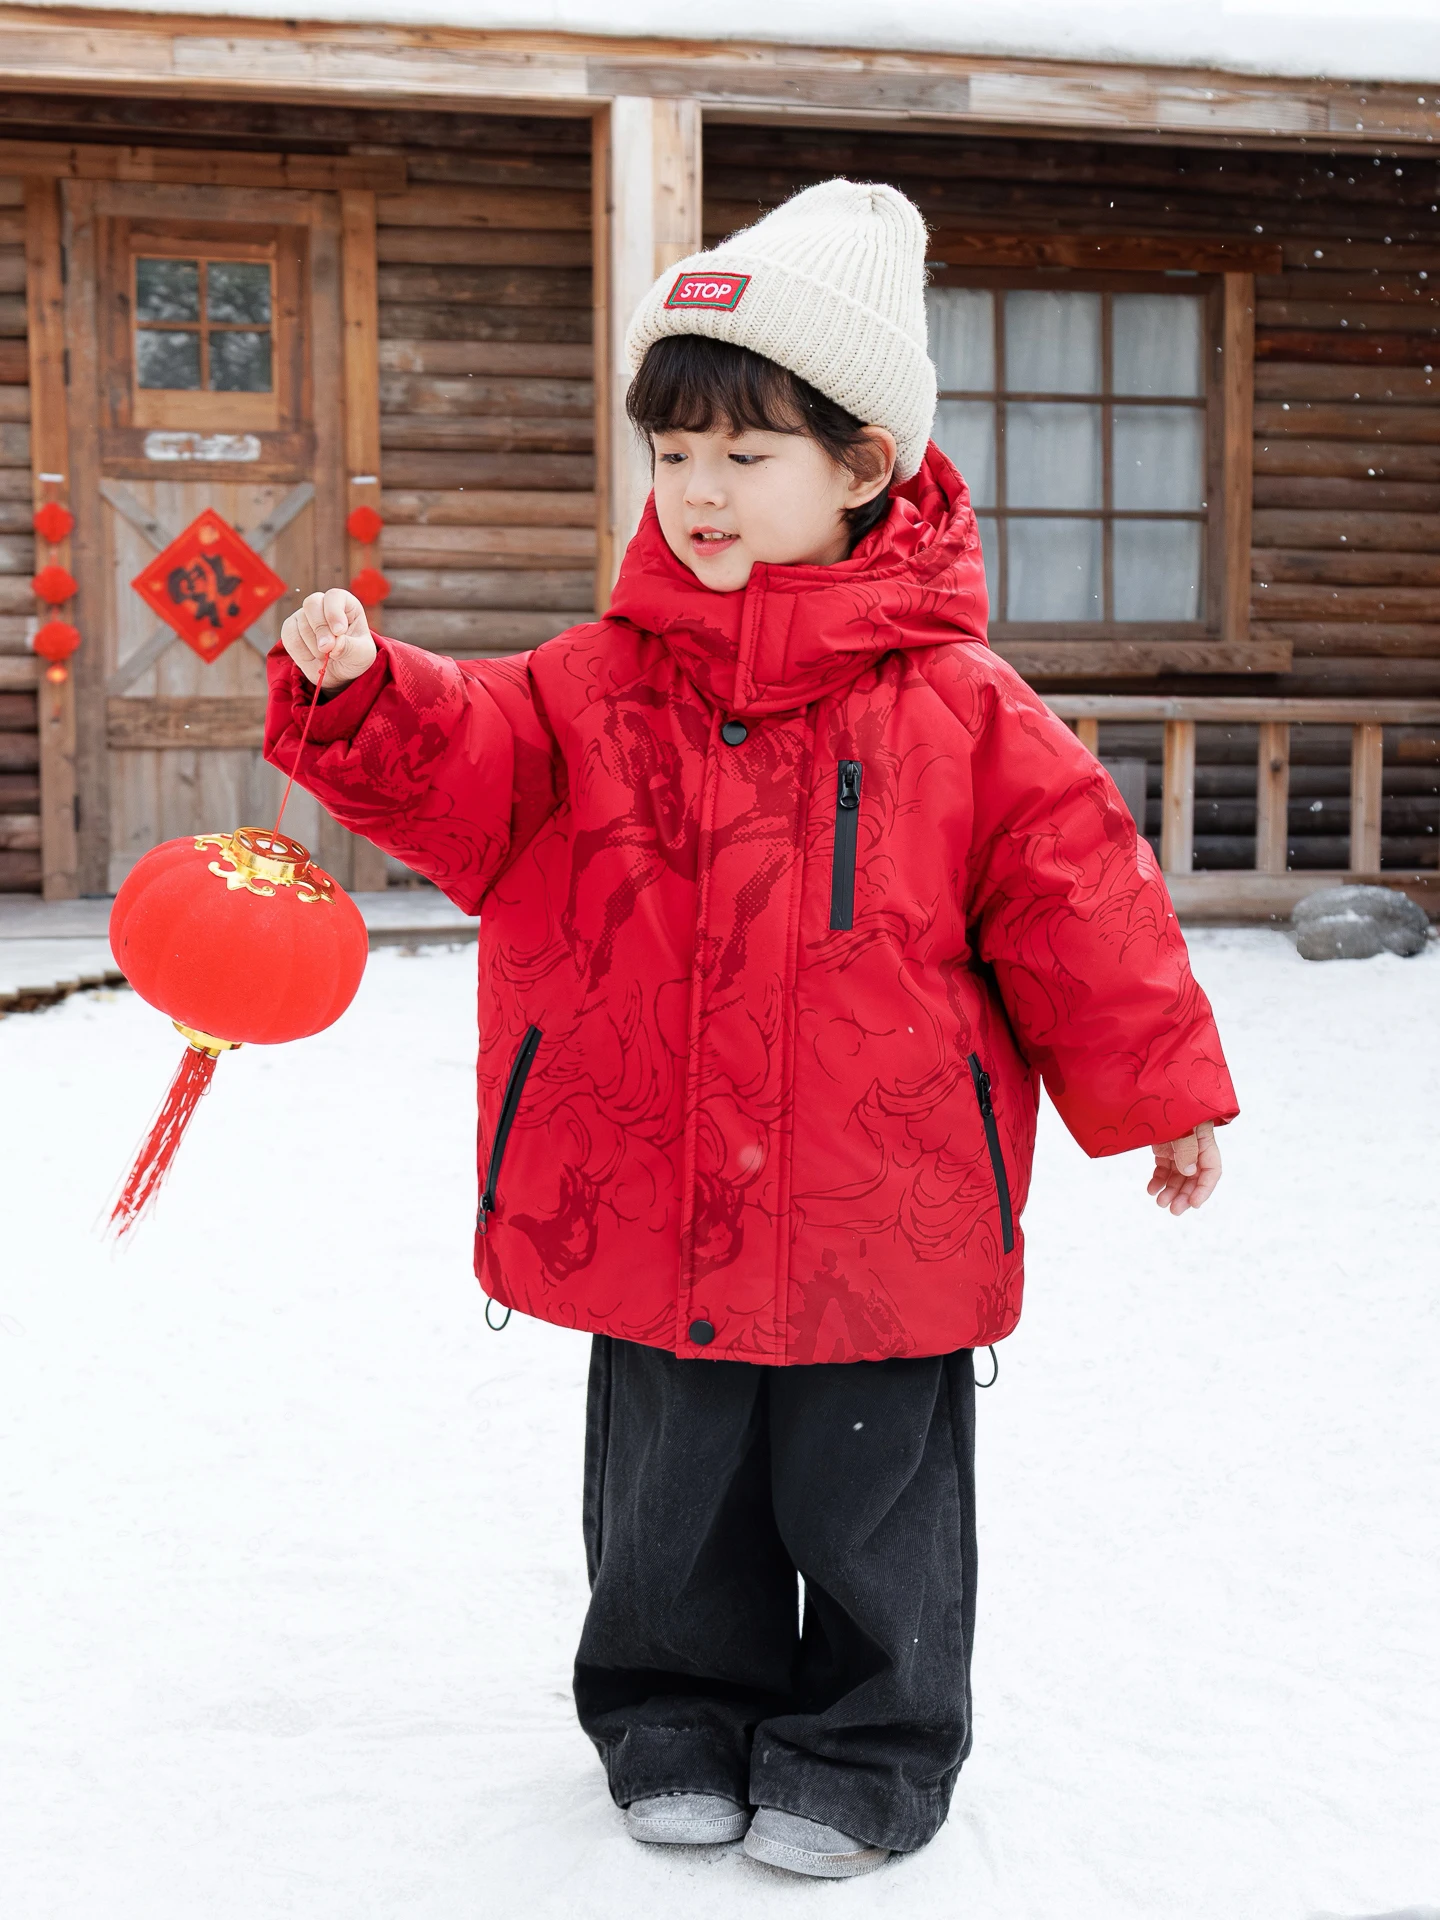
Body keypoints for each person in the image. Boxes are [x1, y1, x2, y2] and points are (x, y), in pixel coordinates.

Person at [266, 179, 1236, 1881]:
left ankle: (866, 1748)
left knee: (871, 1510)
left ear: (865, 466)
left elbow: (1084, 898)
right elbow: (472, 765)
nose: (698, 493)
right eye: (673, 455)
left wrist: (1161, 1095)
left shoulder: (965, 713)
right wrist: (366, 695)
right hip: (643, 1183)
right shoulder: (596, 684)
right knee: (669, 1504)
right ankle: (669, 1715)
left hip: (885, 1201)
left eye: (746, 454)